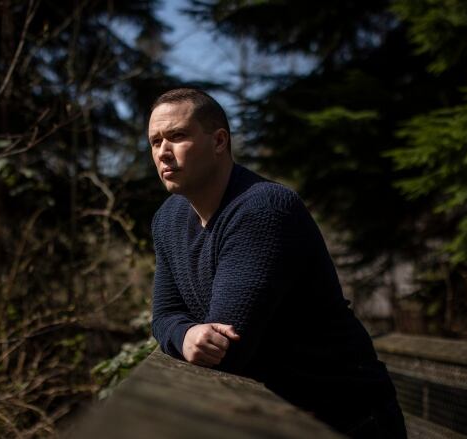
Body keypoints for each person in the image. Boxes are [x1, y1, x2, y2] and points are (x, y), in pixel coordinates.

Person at [148, 88, 407, 438]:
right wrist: (186, 333)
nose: (163, 152)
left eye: (177, 136)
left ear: (220, 141)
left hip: (347, 417)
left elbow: (228, 350)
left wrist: (189, 335)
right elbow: (164, 315)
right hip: (276, 416)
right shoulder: (168, 219)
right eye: (155, 141)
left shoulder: (263, 209)